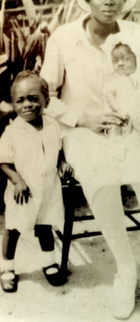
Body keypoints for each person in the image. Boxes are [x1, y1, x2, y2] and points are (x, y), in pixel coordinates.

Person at [40, 0, 140, 320]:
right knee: (103, 183)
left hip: (132, 124)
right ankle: (126, 270)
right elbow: (47, 93)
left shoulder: (134, 33)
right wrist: (84, 119)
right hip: (84, 130)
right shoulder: (63, 37)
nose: (110, 1)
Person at [0, 71, 73, 293]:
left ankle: (49, 263)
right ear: (13, 104)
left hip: (49, 189)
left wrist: (62, 164)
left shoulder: (53, 125)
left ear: (46, 100)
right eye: (20, 100)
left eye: (34, 98)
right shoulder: (12, 131)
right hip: (22, 192)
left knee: (44, 226)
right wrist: (18, 180)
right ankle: (7, 268)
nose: (27, 105)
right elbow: (3, 162)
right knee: (13, 229)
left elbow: (57, 150)